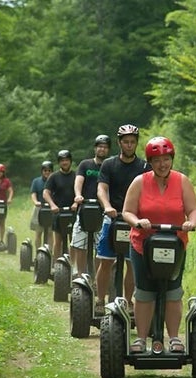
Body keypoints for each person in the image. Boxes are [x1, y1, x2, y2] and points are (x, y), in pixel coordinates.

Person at [122, 136, 196, 354]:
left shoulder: (182, 181)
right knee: (145, 291)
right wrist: (137, 221)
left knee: (173, 291)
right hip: (143, 244)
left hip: (175, 243)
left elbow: (193, 210)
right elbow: (127, 211)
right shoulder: (140, 182)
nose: (162, 164)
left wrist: (190, 223)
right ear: (150, 162)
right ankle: (141, 339)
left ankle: (174, 338)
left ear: (172, 159)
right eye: (157, 160)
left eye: (166, 159)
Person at [94, 124, 149, 315]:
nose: (129, 145)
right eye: (125, 142)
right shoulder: (109, 164)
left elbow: (148, 192)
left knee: (132, 263)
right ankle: (100, 300)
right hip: (113, 218)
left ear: (136, 143)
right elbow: (101, 188)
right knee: (106, 262)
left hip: (134, 221)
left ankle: (128, 301)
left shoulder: (143, 166)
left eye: (132, 142)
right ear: (119, 143)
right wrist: (107, 206)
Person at [71, 135, 111, 275]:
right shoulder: (85, 164)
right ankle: (81, 275)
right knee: (79, 244)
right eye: (100, 146)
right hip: (85, 208)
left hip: (103, 211)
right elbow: (78, 182)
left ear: (108, 150)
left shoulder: (110, 165)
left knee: (99, 247)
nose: (102, 149)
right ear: (95, 148)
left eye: (105, 147)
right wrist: (78, 195)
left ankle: (95, 276)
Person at [42, 150, 76, 260]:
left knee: (73, 240)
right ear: (59, 163)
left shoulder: (76, 176)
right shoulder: (54, 176)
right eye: (62, 161)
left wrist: (76, 203)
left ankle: (71, 265)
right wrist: (52, 205)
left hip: (73, 211)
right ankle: (56, 264)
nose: (65, 163)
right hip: (58, 212)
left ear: (70, 161)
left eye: (67, 160)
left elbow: (80, 192)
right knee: (58, 240)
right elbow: (46, 193)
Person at [29, 160, 53, 250]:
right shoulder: (36, 181)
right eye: (45, 170)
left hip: (51, 208)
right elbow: (33, 193)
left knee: (50, 232)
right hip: (39, 208)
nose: (47, 172)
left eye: (49, 171)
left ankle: (50, 252)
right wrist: (35, 202)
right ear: (42, 171)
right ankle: (38, 251)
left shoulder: (53, 180)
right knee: (38, 232)